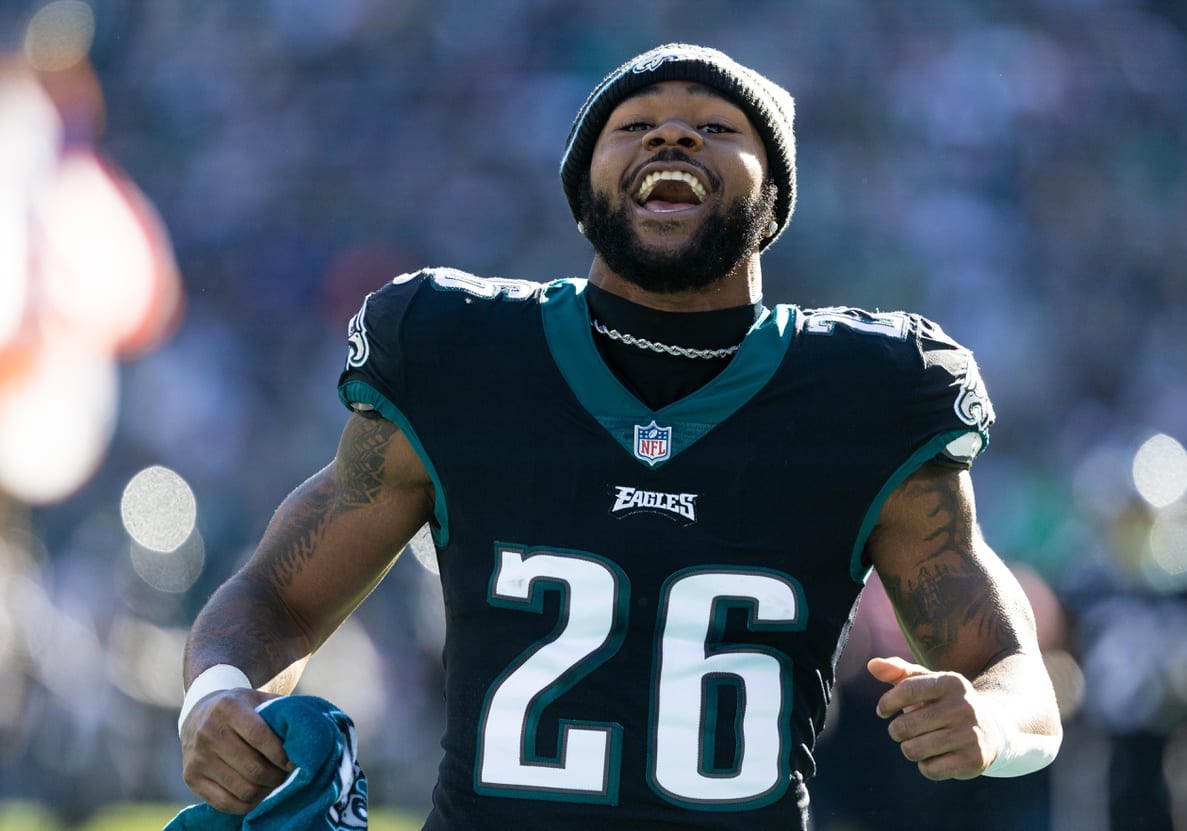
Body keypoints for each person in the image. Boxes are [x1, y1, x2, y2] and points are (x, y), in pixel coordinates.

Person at [177, 43, 1062, 830]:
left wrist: (991, 718)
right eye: (634, 125)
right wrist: (217, 697)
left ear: (774, 195)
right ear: (583, 189)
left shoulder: (871, 390)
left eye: (715, 127)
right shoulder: (460, 355)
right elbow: (275, 599)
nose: (671, 136)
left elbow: (1017, 674)